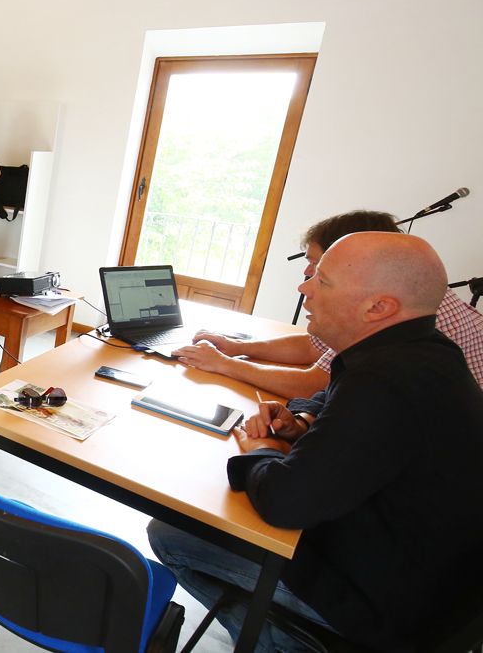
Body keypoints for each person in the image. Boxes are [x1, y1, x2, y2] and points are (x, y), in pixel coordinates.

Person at [148, 232, 483, 651]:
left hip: (387, 607)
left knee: (172, 532)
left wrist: (263, 451)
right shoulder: (423, 351)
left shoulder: (386, 383)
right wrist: (302, 424)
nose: (304, 287)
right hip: (433, 582)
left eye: (322, 280)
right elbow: (329, 398)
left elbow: (286, 502)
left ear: (379, 307)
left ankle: (282, 643)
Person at [172, 210, 483, 396]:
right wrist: (237, 347)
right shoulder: (407, 294)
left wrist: (224, 366)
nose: (307, 276)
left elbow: (315, 384)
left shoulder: (405, 317)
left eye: (319, 267)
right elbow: (314, 347)